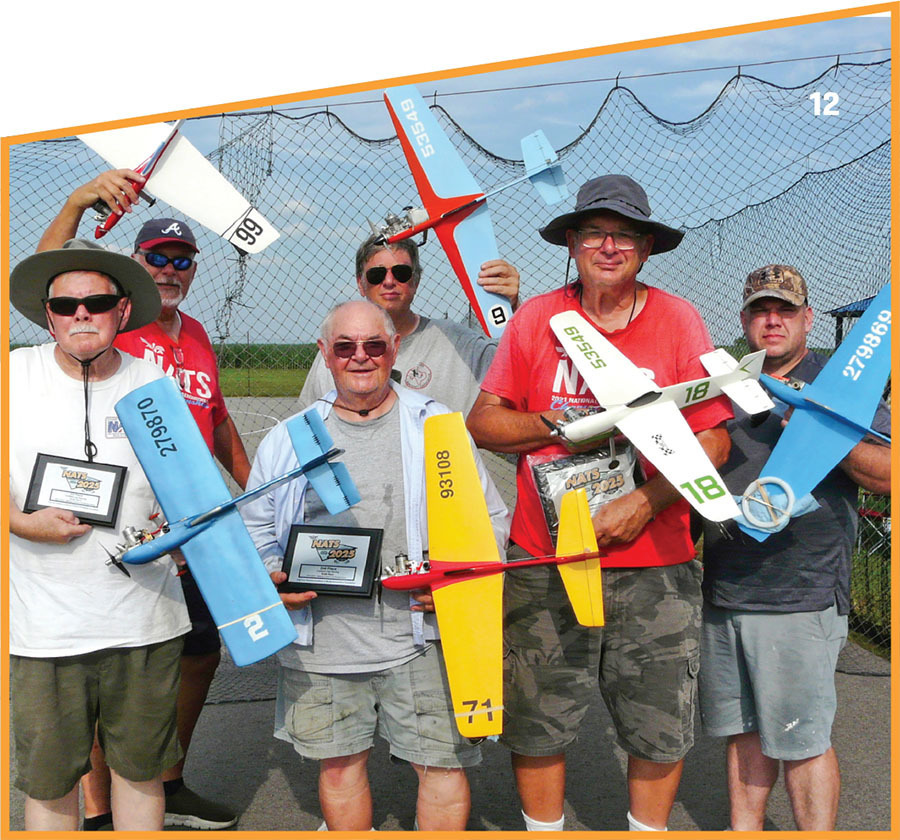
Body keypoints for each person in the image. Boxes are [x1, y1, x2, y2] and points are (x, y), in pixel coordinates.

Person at [466, 174, 733, 831]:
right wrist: (555, 423)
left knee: (658, 724)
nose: (608, 247)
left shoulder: (678, 319)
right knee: (535, 719)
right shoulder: (536, 318)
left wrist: (646, 499)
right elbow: (482, 422)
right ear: (572, 243)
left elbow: (717, 440)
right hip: (543, 555)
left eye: (625, 236)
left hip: (656, 563)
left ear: (645, 249)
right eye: (593, 234)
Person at [242, 299, 509, 831]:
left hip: (423, 633)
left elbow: (490, 519)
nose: (359, 357)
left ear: (393, 350)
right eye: (344, 347)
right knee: (340, 767)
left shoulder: (437, 423)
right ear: (325, 355)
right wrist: (272, 572)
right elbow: (254, 523)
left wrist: (462, 579)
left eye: (373, 346)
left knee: (442, 763)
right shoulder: (291, 437)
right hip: (324, 639)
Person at [37, 170, 247, 829]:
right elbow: (48, 275)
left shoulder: (198, 337)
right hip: (122, 524)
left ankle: (168, 777)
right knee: (115, 665)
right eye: (156, 257)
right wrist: (75, 202)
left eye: (181, 259)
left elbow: (215, 422)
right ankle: (99, 809)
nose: (169, 268)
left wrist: (256, 491)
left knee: (199, 650)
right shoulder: (112, 324)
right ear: (135, 266)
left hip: (191, 523)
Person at [699, 265, 891, 831]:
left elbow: (888, 473)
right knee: (744, 731)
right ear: (745, 320)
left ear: (808, 318)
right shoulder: (726, 383)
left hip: (800, 591)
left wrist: (807, 422)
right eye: (761, 310)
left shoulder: (839, 385)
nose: (772, 320)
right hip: (727, 586)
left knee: (802, 738)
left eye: (785, 310)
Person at [9, 239, 191, 831]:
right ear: (47, 313)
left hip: (143, 618)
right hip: (42, 628)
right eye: (65, 305)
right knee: (49, 781)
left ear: (121, 309)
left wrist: (178, 528)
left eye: (97, 301)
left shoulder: (154, 383)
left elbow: (188, 489)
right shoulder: (14, 375)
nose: (81, 313)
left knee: (140, 774)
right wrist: (19, 522)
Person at [298, 233, 519, 415]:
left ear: (415, 281)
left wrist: (515, 308)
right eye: (376, 275)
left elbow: (521, 367)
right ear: (361, 284)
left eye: (401, 273)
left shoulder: (457, 341)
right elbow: (309, 423)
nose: (389, 282)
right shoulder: (340, 349)